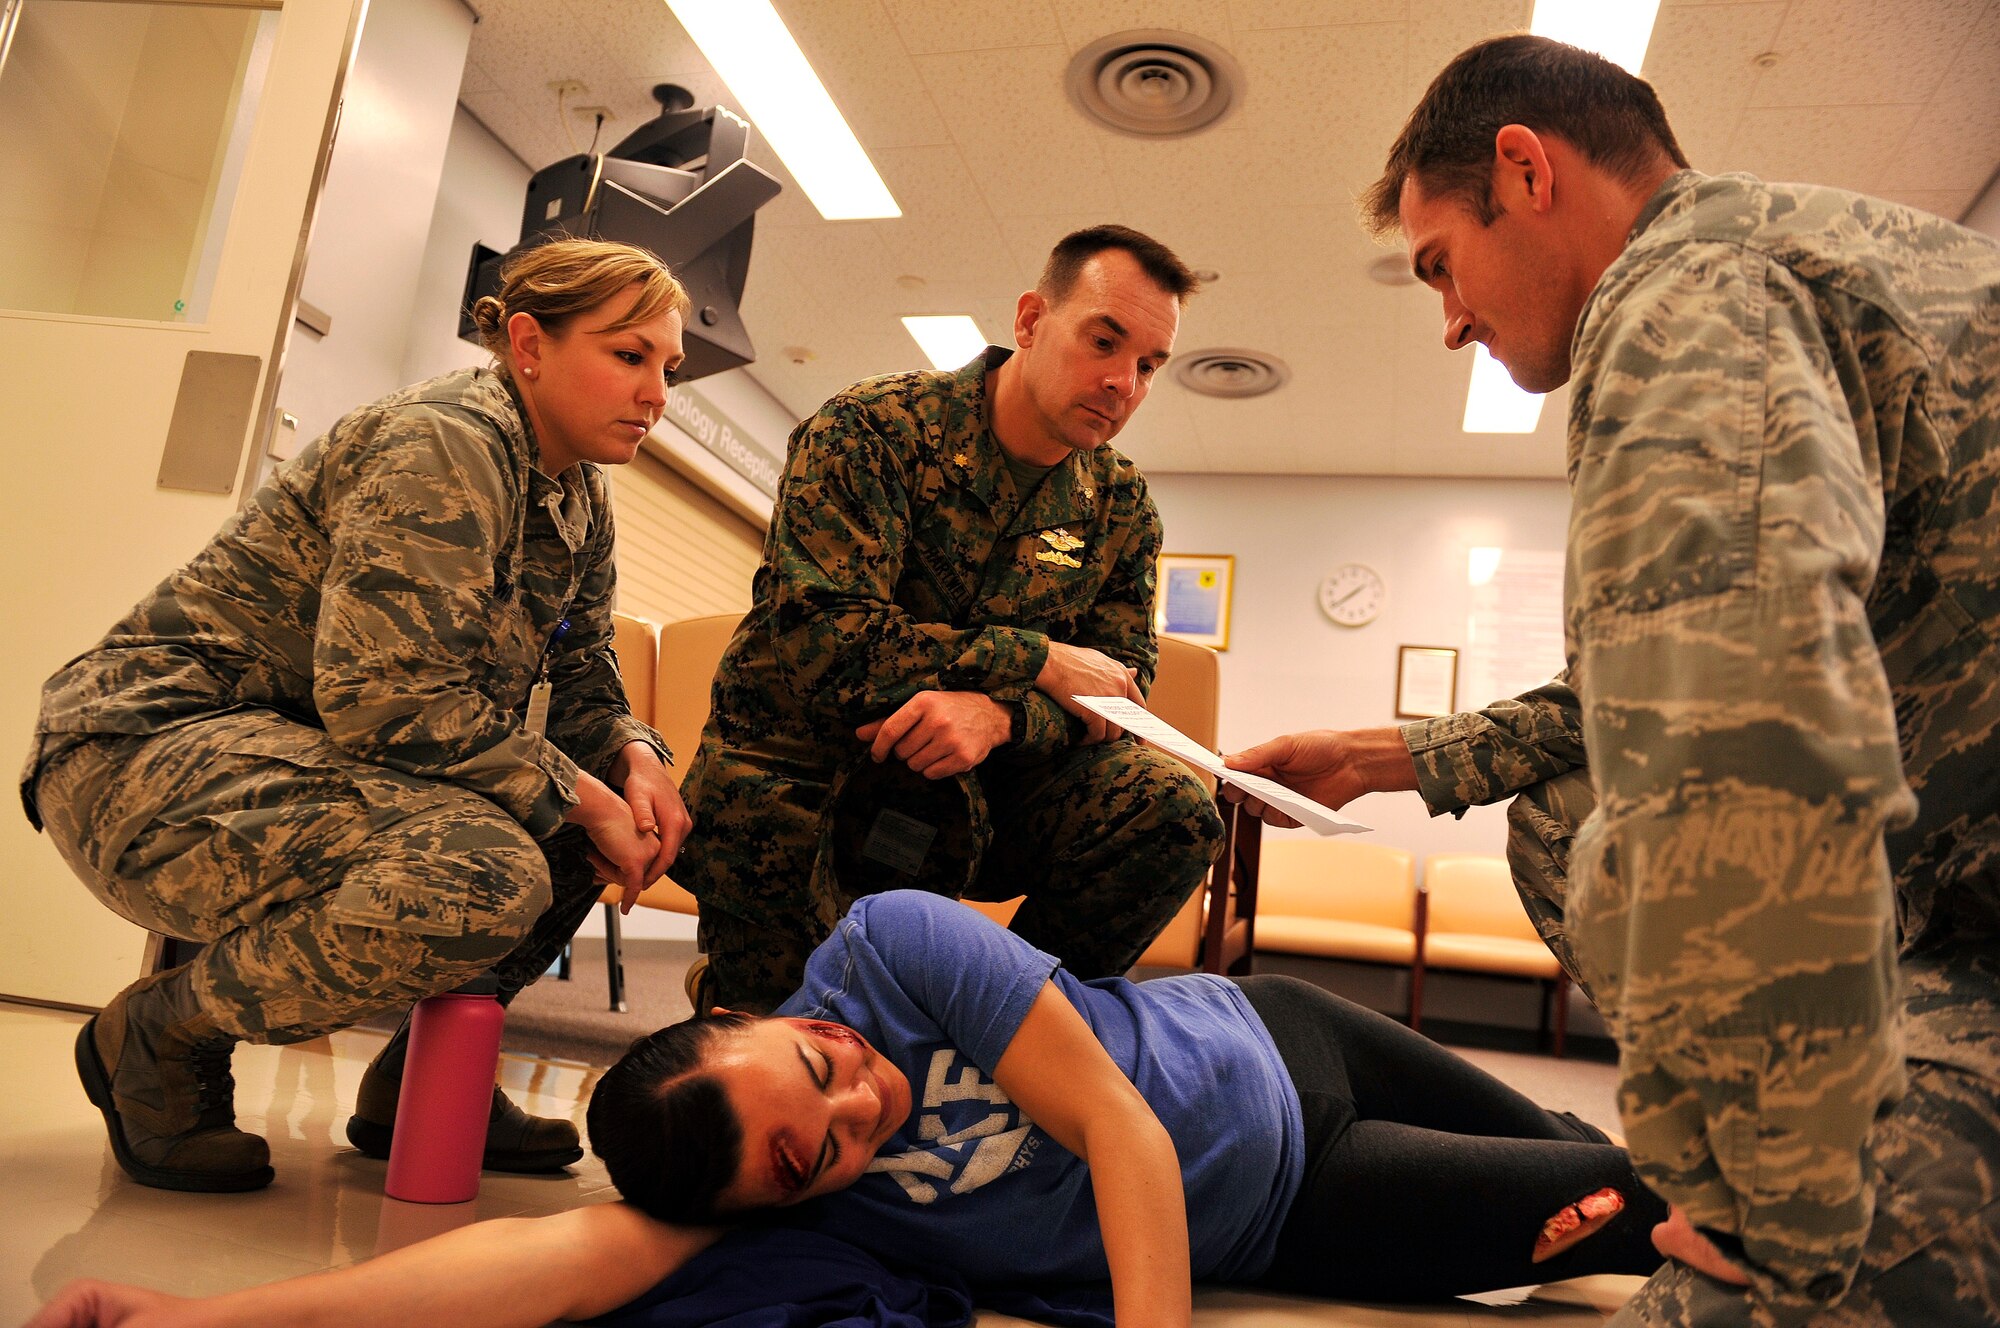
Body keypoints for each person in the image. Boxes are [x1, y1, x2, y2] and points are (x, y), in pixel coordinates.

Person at [1229, 34, 2000, 1328]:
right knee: (1564, 802)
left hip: (1969, 927)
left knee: (1727, 1300)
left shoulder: (1683, 296)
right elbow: (1634, 700)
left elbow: (1739, 739)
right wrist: (1383, 759)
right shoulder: (1828, 257)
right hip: (1968, 881)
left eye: (1440, 266)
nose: (1450, 320)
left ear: (1525, 171)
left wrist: (1768, 1195)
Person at [27, 891, 1670, 1328]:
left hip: (1278, 1025)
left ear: (741, 1011)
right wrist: (208, 1318)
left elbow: (1117, 1127)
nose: (859, 1107)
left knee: (1633, 1152)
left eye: (817, 1068)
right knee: (1638, 1196)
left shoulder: (887, 945)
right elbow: (538, 1270)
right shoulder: (772, 1180)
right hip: (1302, 1188)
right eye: (819, 1156)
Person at [19, 237, 696, 1194]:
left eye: (669, 367)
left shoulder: (579, 489)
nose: (658, 392)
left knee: (596, 819)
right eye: (629, 356)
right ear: (530, 345)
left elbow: (580, 666)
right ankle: (161, 1037)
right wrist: (584, 796)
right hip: (142, 754)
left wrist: (635, 757)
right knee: (488, 862)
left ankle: (418, 1082)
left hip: (297, 759)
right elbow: (388, 700)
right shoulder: (445, 439)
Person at [673, 224, 1225, 1012]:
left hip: (984, 797)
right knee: (790, 1051)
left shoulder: (1119, 504)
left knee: (1171, 810)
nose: (1124, 383)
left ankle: (1004, 1025)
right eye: (1104, 342)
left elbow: (1116, 692)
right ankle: (748, 992)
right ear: (1031, 321)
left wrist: (1001, 715)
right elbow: (828, 640)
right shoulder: (874, 428)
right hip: (807, 774)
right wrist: (1036, 661)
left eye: (1148, 365)